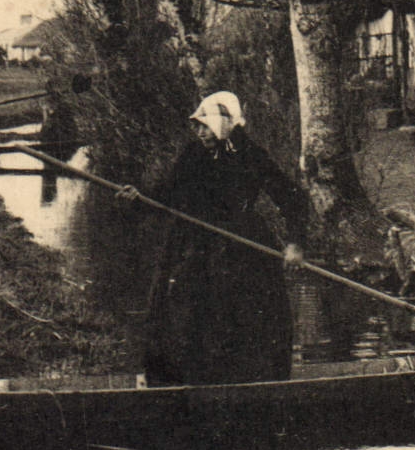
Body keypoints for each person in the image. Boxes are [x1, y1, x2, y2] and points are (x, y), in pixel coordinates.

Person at [118, 92, 310, 385]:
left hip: (242, 246)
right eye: (197, 126)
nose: (199, 132)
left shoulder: (251, 155)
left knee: (246, 318)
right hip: (193, 243)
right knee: (182, 312)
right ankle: (185, 385)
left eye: (204, 125)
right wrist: (138, 199)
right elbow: (168, 193)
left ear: (223, 123)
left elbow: (292, 197)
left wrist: (295, 244)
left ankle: (248, 384)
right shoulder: (193, 154)